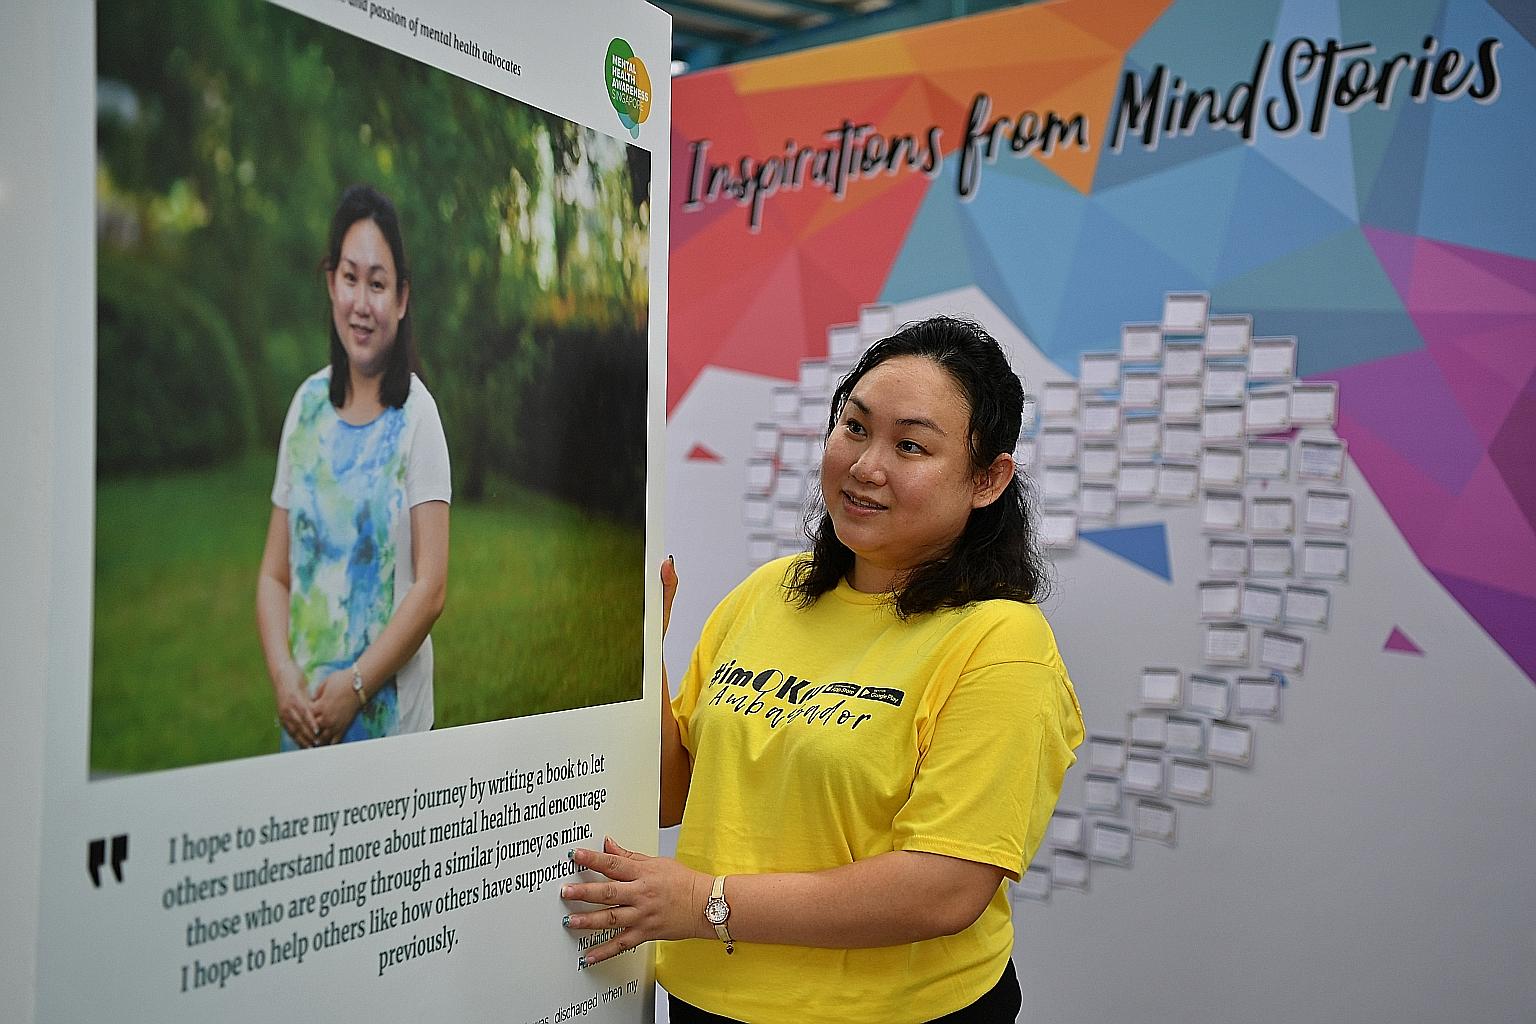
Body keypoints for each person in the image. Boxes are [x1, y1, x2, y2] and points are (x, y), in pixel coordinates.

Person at [561, 316, 1084, 1022]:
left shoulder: (1002, 642)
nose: (867, 466)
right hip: (706, 998)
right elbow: (671, 794)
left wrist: (702, 902)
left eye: (910, 445)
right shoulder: (769, 591)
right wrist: (639, 651)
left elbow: (943, 888)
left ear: (987, 478)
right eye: (856, 427)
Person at [257, 185, 450, 749]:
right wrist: (284, 677)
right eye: (349, 278)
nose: (361, 303)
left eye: (378, 283)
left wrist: (357, 687)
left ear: (402, 298)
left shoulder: (418, 417)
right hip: (307, 725)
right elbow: (273, 574)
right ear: (329, 282)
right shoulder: (306, 407)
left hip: (390, 734)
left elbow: (431, 587)